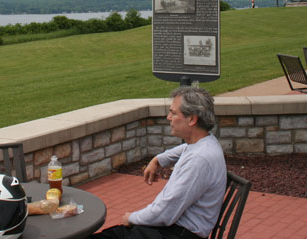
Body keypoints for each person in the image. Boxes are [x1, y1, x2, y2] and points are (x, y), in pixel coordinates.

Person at [90, 87, 226, 239]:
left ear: (192, 119)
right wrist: (158, 160)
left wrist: (132, 218)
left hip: (175, 233)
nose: (168, 117)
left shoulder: (199, 160)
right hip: (170, 229)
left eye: (173, 113)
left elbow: (165, 213)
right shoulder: (205, 143)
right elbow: (183, 149)